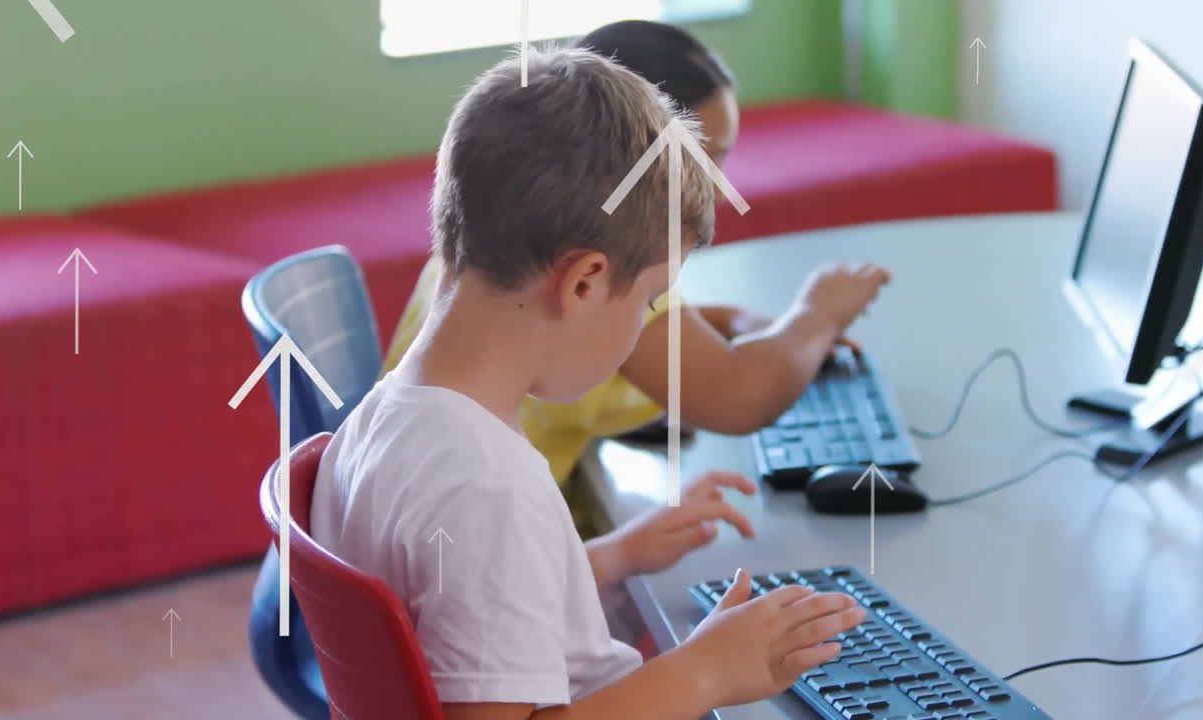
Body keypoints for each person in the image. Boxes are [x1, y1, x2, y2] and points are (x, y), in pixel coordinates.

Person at [312, 48, 869, 718]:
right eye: (649, 299)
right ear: (583, 282)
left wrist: (610, 557)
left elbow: (454, 611)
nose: (642, 326)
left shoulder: (383, 420)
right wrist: (705, 673)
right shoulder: (488, 487)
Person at [383, 20, 891, 536]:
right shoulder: (494, 484)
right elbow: (740, 393)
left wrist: (733, 319)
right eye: (704, 161)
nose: (715, 188)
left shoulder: (489, 245)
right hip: (530, 541)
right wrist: (819, 311)